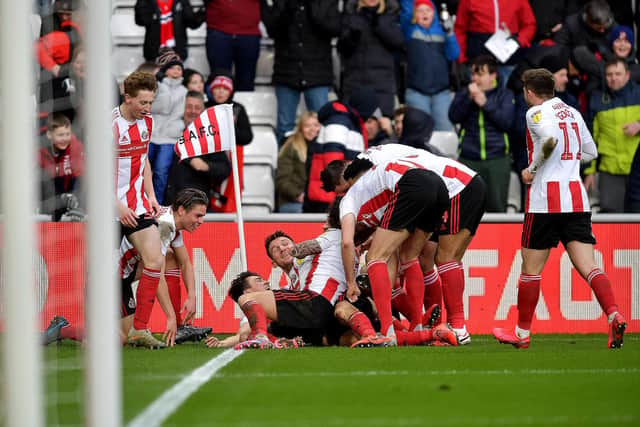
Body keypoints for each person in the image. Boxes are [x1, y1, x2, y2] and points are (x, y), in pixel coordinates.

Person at [492, 68, 627, 349]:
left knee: (530, 270)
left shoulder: (535, 113)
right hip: (576, 198)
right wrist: (567, 161)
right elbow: (590, 152)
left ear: (529, 91)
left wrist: (532, 168)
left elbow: (550, 141)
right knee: (590, 267)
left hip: (545, 201)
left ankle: (521, 334)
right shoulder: (574, 113)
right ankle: (614, 314)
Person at [44, 189, 212, 347]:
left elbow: (185, 263)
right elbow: (157, 276)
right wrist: (170, 317)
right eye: (197, 216)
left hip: (123, 277)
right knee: (115, 339)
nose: (201, 221)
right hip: (110, 275)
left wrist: (191, 296)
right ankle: (61, 329)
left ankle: (166, 326)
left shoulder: (170, 223)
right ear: (181, 210)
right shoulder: (164, 226)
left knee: (122, 337)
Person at [113, 70, 166, 348]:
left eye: (150, 102)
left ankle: (140, 328)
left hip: (138, 205)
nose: (147, 108)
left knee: (155, 260)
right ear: (128, 98)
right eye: (143, 103)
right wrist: (117, 205)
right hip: (108, 208)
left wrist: (152, 197)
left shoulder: (148, 122)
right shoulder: (109, 125)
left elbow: (143, 160)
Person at [260, 0, 341, 145]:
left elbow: (335, 28)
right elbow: (272, 29)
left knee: (321, 126)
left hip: (318, 71)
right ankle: (286, 166)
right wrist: (289, 9)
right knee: (285, 128)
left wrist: (313, 8)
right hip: (286, 70)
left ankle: (319, 165)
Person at [449, 55, 515, 212]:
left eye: (480, 74)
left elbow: (506, 123)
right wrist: (469, 99)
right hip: (468, 158)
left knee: (497, 209)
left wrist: (484, 103)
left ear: (493, 75)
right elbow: (453, 116)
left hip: (497, 159)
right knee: (465, 210)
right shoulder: (464, 94)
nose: (475, 78)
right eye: (473, 74)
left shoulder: (505, 95)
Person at [585, 57, 640, 212]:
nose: (613, 78)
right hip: (610, 171)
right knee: (612, 219)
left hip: (636, 170)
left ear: (627, 75)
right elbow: (589, 138)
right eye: (609, 74)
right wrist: (589, 171)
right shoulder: (596, 99)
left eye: (618, 73)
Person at [337, 0, 404, 117]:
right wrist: (352, 37)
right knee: (352, 127)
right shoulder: (350, 16)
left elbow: (397, 41)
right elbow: (342, 48)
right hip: (354, 83)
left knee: (382, 128)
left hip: (381, 85)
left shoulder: (389, 15)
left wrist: (378, 24)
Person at [164, 91, 231, 207]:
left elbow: (225, 169)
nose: (193, 111)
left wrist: (206, 166)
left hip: (194, 207)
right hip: (165, 203)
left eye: (197, 108)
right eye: (189, 107)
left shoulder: (210, 138)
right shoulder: (168, 131)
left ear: (203, 111)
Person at [400, 0, 458, 131]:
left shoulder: (442, 31)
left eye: (428, 10)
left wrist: (450, 34)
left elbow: (454, 55)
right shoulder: (410, 30)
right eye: (420, 11)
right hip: (417, 92)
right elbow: (407, 9)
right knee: (418, 133)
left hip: (441, 93)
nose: (424, 13)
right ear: (414, 14)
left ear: (434, 13)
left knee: (445, 134)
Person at [204, 69, 254, 212]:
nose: (220, 92)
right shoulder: (205, 107)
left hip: (230, 159)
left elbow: (247, 137)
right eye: (217, 88)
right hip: (209, 156)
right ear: (211, 91)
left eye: (224, 89)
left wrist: (229, 128)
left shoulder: (238, 109)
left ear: (230, 91)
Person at [149, 49, 188, 204]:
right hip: (152, 133)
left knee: (160, 170)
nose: (176, 71)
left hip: (170, 137)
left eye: (179, 68)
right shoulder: (156, 86)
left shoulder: (185, 91)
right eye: (172, 67)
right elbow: (158, 107)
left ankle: (156, 203)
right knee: (141, 168)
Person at [204, 0, 261, 91]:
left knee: (246, 81)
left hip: (249, 33)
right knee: (219, 81)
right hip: (219, 31)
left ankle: (242, 105)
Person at [38, 112, 85, 221]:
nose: (65, 138)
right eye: (60, 135)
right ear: (49, 135)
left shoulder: (75, 146)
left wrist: (74, 198)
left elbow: (79, 177)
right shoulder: (40, 150)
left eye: (67, 134)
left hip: (70, 188)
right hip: (50, 194)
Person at [276, 112, 320, 213]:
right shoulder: (291, 146)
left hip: (315, 201)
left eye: (315, 125)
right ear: (301, 128)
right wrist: (297, 195)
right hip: (293, 201)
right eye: (307, 126)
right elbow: (282, 181)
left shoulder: (324, 147)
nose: (312, 129)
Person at [134, 0, 205, 62]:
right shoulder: (148, 1)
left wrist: (203, 10)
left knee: (175, 76)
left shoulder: (181, 1)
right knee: (156, 76)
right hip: (154, 52)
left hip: (176, 52)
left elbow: (192, 23)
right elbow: (140, 21)